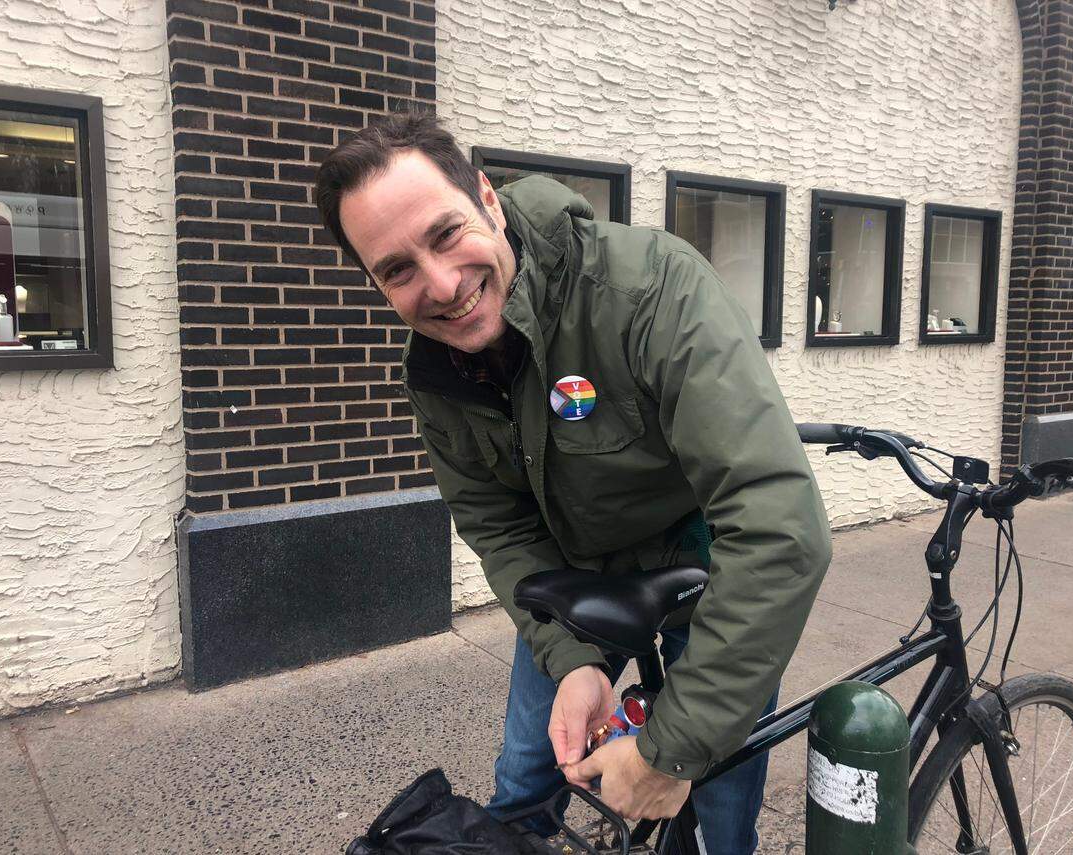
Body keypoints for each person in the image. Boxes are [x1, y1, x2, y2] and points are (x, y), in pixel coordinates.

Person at [316, 112, 833, 854]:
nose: (442, 284)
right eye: (397, 270)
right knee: (524, 789)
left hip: (709, 571)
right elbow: (499, 526)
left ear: (488, 202)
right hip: (579, 579)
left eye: (445, 233)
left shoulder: (653, 288)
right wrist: (574, 659)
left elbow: (779, 526)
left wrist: (671, 749)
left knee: (718, 809)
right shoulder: (431, 372)